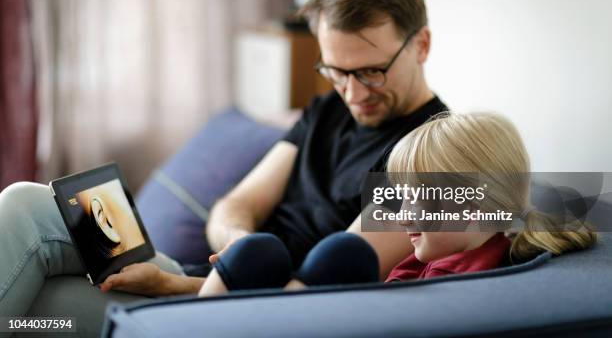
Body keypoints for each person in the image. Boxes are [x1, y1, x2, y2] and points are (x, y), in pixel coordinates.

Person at [0, 0, 445, 329]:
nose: (353, 92)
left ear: (421, 45)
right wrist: (240, 245)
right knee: (28, 226)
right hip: (215, 279)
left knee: (35, 291)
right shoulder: (325, 112)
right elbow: (234, 206)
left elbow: (321, 289)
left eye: (371, 71)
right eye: (335, 71)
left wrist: (181, 284)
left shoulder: (435, 153)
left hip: (228, 308)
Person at [196, 112, 597, 296]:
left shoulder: (463, 284)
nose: (401, 215)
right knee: (258, 250)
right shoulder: (436, 261)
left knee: (278, 252)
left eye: (417, 199)